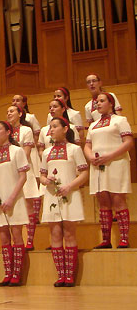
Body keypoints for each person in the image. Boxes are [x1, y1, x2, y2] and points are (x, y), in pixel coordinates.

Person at [40, 117, 88, 287]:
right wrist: (45, 180)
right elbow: (42, 175)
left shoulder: (75, 149)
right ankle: (61, 275)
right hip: (52, 196)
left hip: (69, 194)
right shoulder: (46, 152)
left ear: (65, 128)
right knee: (55, 234)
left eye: (54, 127)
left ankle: (70, 276)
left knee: (69, 233)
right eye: (50, 127)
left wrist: (69, 186)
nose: (51, 130)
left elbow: (84, 173)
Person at [84, 93, 133, 248]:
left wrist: (110, 156)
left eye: (102, 101)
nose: (98, 104)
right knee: (103, 202)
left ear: (111, 103)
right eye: (97, 101)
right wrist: (90, 157)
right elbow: (87, 145)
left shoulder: (120, 120)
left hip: (117, 163)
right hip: (98, 165)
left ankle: (124, 238)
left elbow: (129, 142)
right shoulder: (93, 125)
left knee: (118, 200)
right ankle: (106, 239)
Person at [0, 121, 29, 287]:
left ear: (8, 132)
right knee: (4, 237)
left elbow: (23, 177)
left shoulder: (17, 151)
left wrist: (11, 198)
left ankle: (17, 274)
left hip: (15, 199)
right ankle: (7, 273)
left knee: (17, 234)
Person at [7, 105, 40, 250]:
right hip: (9, 173)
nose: (9, 113)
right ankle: (17, 240)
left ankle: (30, 240)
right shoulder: (6, 131)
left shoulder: (26, 130)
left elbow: (26, 153)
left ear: (20, 113)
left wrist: (17, 167)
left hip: (24, 170)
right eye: (7, 112)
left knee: (28, 205)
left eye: (12, 111)